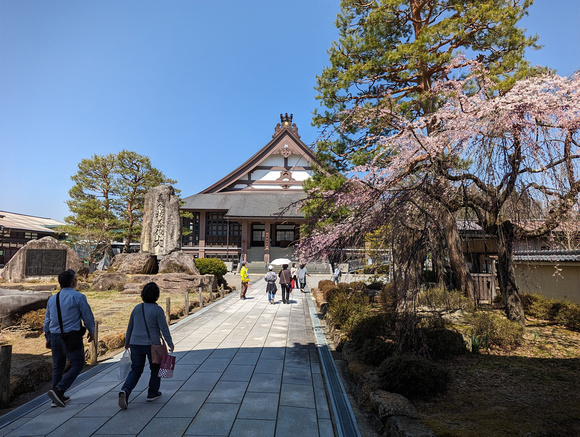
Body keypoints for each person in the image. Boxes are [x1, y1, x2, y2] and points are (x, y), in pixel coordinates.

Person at [118, 282, 174, 409]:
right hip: (152, 345)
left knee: (136, 369)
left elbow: (130, 326)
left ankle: (125, 391)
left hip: (135, 343)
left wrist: (127, 342)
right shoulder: (157, 310)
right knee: (156, 369)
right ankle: (152, 393)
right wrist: (170, 343)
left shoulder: (137, 308)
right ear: (156, 295)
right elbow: (164, 328)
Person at [44, 269, 95, 408]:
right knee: (78, 364)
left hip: (54, 335)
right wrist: (92, 330)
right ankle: (59, 389)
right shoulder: (78, 296)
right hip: (71, 336)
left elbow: (47, 319)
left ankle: (56, 397)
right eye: (76, 280)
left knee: (58, 366)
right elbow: (87, 315)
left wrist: (47, 335)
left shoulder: (53, 298)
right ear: (73, 282)